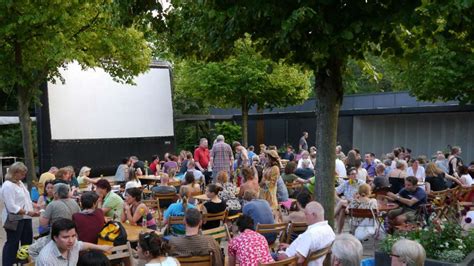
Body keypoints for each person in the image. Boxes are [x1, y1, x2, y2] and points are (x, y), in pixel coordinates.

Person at [0, 162, 40, 266]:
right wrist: (28, 212)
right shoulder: (8, 185)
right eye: (22, 173)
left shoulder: (20, 182)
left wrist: (35, 205)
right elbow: (11, 206)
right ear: (15, 172)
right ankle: (8, 263)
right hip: (15, 218)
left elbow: (25, 199)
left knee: (27, 242)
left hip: (25, 217)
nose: (24, 176)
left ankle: (24, 262)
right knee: (12, 243)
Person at [276, 201, 335, 266]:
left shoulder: (310, 234)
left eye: (306, 213)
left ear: (314, 215)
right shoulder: (329, 230)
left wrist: (281, 256)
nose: (304, 216)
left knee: (266, 256)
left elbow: (299, 260)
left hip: (287, 260)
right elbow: (311, 248)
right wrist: (291, 247)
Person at [35, 218, 112, 266]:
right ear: (55, 238)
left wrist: (102, 247)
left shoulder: (71, 244)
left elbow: (82, 245)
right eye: (66, 237)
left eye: (73, 236)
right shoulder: (47, 260)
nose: (71, 241)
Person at [335, 167, 365, 234]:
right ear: (348, 176)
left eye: (355, 174)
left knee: (342, 203)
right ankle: (339, 232)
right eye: (352, 174)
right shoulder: (346, 183)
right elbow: (334, 192)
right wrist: (339, 199)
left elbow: (365, 195)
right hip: (347, 204)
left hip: (357, 204)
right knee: (342, 208)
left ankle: (331, 218)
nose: (355, 175)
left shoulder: (361, 183)